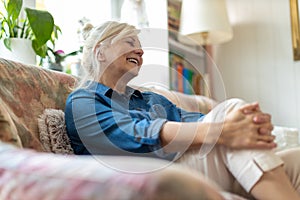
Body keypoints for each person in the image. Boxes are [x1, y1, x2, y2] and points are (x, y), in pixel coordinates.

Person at [64, 21, 300, 199]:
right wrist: (224, 129)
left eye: (140, 46)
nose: (141, 52)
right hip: (151, 174)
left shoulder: (149, 98)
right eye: (130, 43)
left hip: (192, 163)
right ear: (100, 52)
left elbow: (198, 120)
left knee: (296, 158)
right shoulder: (82, 101)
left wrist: (246, 124)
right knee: (229, 111)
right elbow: (133, 135)